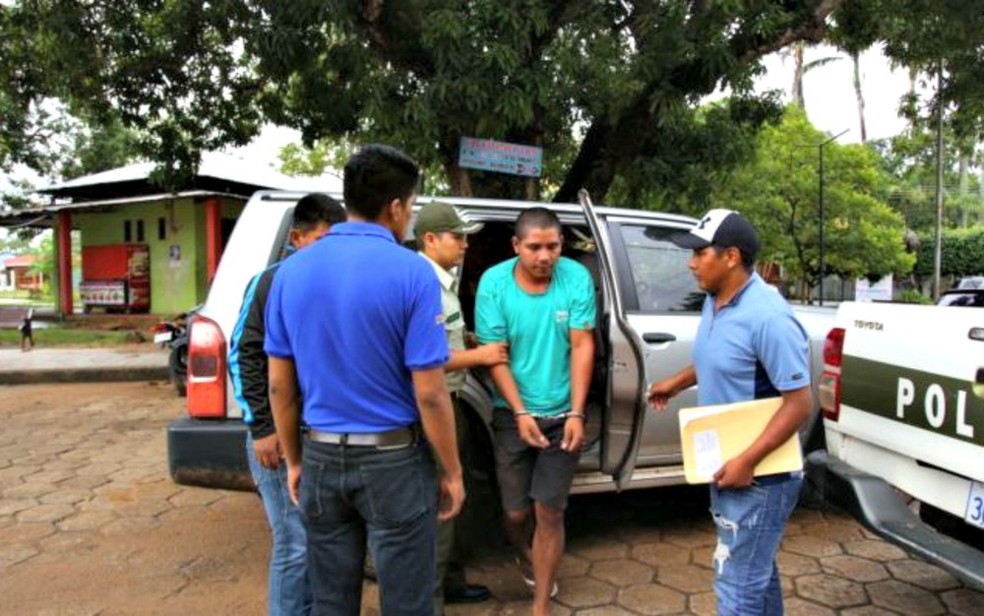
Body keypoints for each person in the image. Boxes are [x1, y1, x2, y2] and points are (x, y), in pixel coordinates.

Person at [265, 144, 465, 616]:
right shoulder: (413, 272)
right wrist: (452, 471)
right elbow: (431, 392)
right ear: (395, 206)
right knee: (407, 603)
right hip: (392, 461)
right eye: (412, 207)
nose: (411, 217)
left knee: (331, 602)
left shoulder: (288, 273)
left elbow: (280, 387)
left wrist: (295, 462)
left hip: (318, 455)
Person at [646, 209, 811, 615]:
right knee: (756, 573)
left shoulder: (769, 317)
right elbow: (721, 358)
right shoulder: (715, 299)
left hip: (761, 476)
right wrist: (677, 382)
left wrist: (746, 461)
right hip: (727, 461)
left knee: (737, 588)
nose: (691, 262)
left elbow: (799, 403)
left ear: (731, 257)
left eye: (701, 253)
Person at [227, 193, 346, 616]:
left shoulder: (336, 283)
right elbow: (243, 354)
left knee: (319, 535)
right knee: (294, 541)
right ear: (297, 238)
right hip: (279, 432)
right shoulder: (271, 281)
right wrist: (262, 427)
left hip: (321, 433)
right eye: (322, 241)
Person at [474, 207, 595, 616]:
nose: (545, 256)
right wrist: (521, 412)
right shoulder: (494, 283)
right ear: (516, 246)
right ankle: (523, 553)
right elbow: (495, 357)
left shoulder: (576, 278)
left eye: (553, 246)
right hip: (511, 414)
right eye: (534, 247)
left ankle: (540, 605)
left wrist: (577, 413)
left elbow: (582, 345)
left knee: (550, 509)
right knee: (515, 512)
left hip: (564, 415)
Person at [414, 201, 505, 613]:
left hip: (452, 401)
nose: (466, 244)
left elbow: (444, 340)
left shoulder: (442, 279)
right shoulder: (424, 284)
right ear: (430, 239)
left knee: (454, 497)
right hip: (434, 407)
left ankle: (450, 581)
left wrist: (465, 340)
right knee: (443, 501)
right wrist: (481, 356)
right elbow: (427, 359)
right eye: (458, 236)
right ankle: (430, 600)